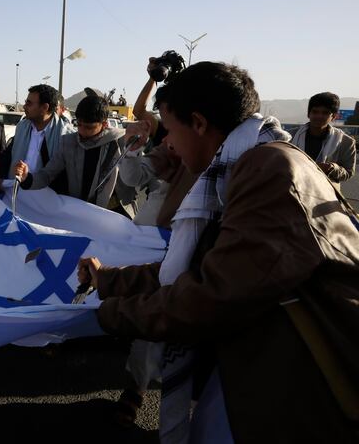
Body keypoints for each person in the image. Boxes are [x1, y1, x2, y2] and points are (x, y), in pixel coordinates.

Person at [78, 62, 358, 442]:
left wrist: (107, 314)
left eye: (171, 131)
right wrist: (109, 280)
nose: (169, 144)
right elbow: (208, 265)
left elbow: (212, 294)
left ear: (198, 123)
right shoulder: (246, 163)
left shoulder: (269, 170)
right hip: (266, 367)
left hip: (301, 386)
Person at [13, 92, 124, 207]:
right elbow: (47, 174)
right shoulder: (69, 142)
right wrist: (28, 178)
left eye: (89, 127)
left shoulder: (119, 144)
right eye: (79, 124)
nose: (82, 131)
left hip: (109, 212)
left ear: (104, 124)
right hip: (75, 211)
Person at [0, 84, 73, 193]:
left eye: (29, 103)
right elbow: (9, 154)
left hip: (45, 196)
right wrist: (1, 177)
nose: (24, 106)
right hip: (17, 189)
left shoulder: (66, 135)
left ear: (45, 107)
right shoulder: (22, 127)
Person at [291, 92, 355, 189]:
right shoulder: (290, 136)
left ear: (333, 116)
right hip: (294, 188)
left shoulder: (346, 142)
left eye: (325, 113)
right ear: (309, 114)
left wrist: (332, 169)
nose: (319, 116)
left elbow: (348, 172)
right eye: (315, 112)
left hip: (326, 193)